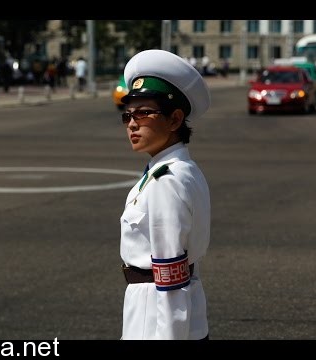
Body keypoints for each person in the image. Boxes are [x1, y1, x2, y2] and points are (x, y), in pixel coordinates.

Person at [119, 49, 211, 340]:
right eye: (129, 115)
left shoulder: (165, 181)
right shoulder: (181, 169)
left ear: (174, 120)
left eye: (145, 113)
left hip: (155, 317)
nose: (133, 123)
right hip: (169, 311)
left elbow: (171, 276)